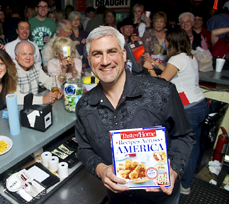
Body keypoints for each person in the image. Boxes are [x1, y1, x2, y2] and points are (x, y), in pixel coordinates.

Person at [75, 26, 195, 204]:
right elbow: (84, 149)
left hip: (160, 197)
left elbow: (184, 136)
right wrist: (101, 170)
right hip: (118, 198)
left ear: (124, 55)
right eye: (97, 54)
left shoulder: (161, 91)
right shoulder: (85, 105)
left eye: (112, 51)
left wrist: (174, 170)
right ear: (89, 60)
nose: (105, 61)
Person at [144, 27, 209, 195]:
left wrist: (149, 68)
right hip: (200, 104)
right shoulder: (188, 56)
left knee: (180, 147)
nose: (164, 43)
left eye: (166, 40)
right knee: (192, 147)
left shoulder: (178, 59)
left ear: (171, 42)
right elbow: (170, 69)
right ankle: (186, 184)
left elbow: (161, 85)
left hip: (189, 110)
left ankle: (180, 185)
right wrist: (155, 62)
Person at [13, 41, 63, 105]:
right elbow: (15, 98)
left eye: (30, 54)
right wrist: (42, 99)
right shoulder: (11, 69)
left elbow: (46, 80)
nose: (28, 57)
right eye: (24, 54)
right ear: (16, 56)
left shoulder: (35, 66)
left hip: (33, 107)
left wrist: (57, 88)